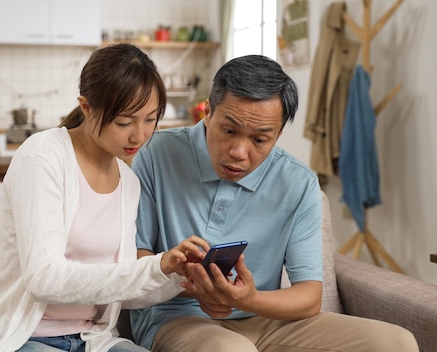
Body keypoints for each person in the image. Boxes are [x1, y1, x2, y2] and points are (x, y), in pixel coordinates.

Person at [130, 55, 419, 352]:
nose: (239, 152)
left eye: (259, 140)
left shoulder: (298, 183)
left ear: (278, 134)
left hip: (264, 317)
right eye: (229, 131)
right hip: (177, 317)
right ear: (207, 111)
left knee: (397, 343)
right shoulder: (155, 155)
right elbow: (134, 259)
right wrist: (186, 281)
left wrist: (248, 299)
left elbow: (309, 295)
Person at [0, 43, 209, 352]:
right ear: (87, 107)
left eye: (150, 119)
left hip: (90, 340)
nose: (140, 135)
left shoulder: (128, 182)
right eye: (124, 122)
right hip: (20, 338)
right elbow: (44, 279)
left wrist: (173, 273)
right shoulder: (42, 158)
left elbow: (122, 291)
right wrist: (152, 267)